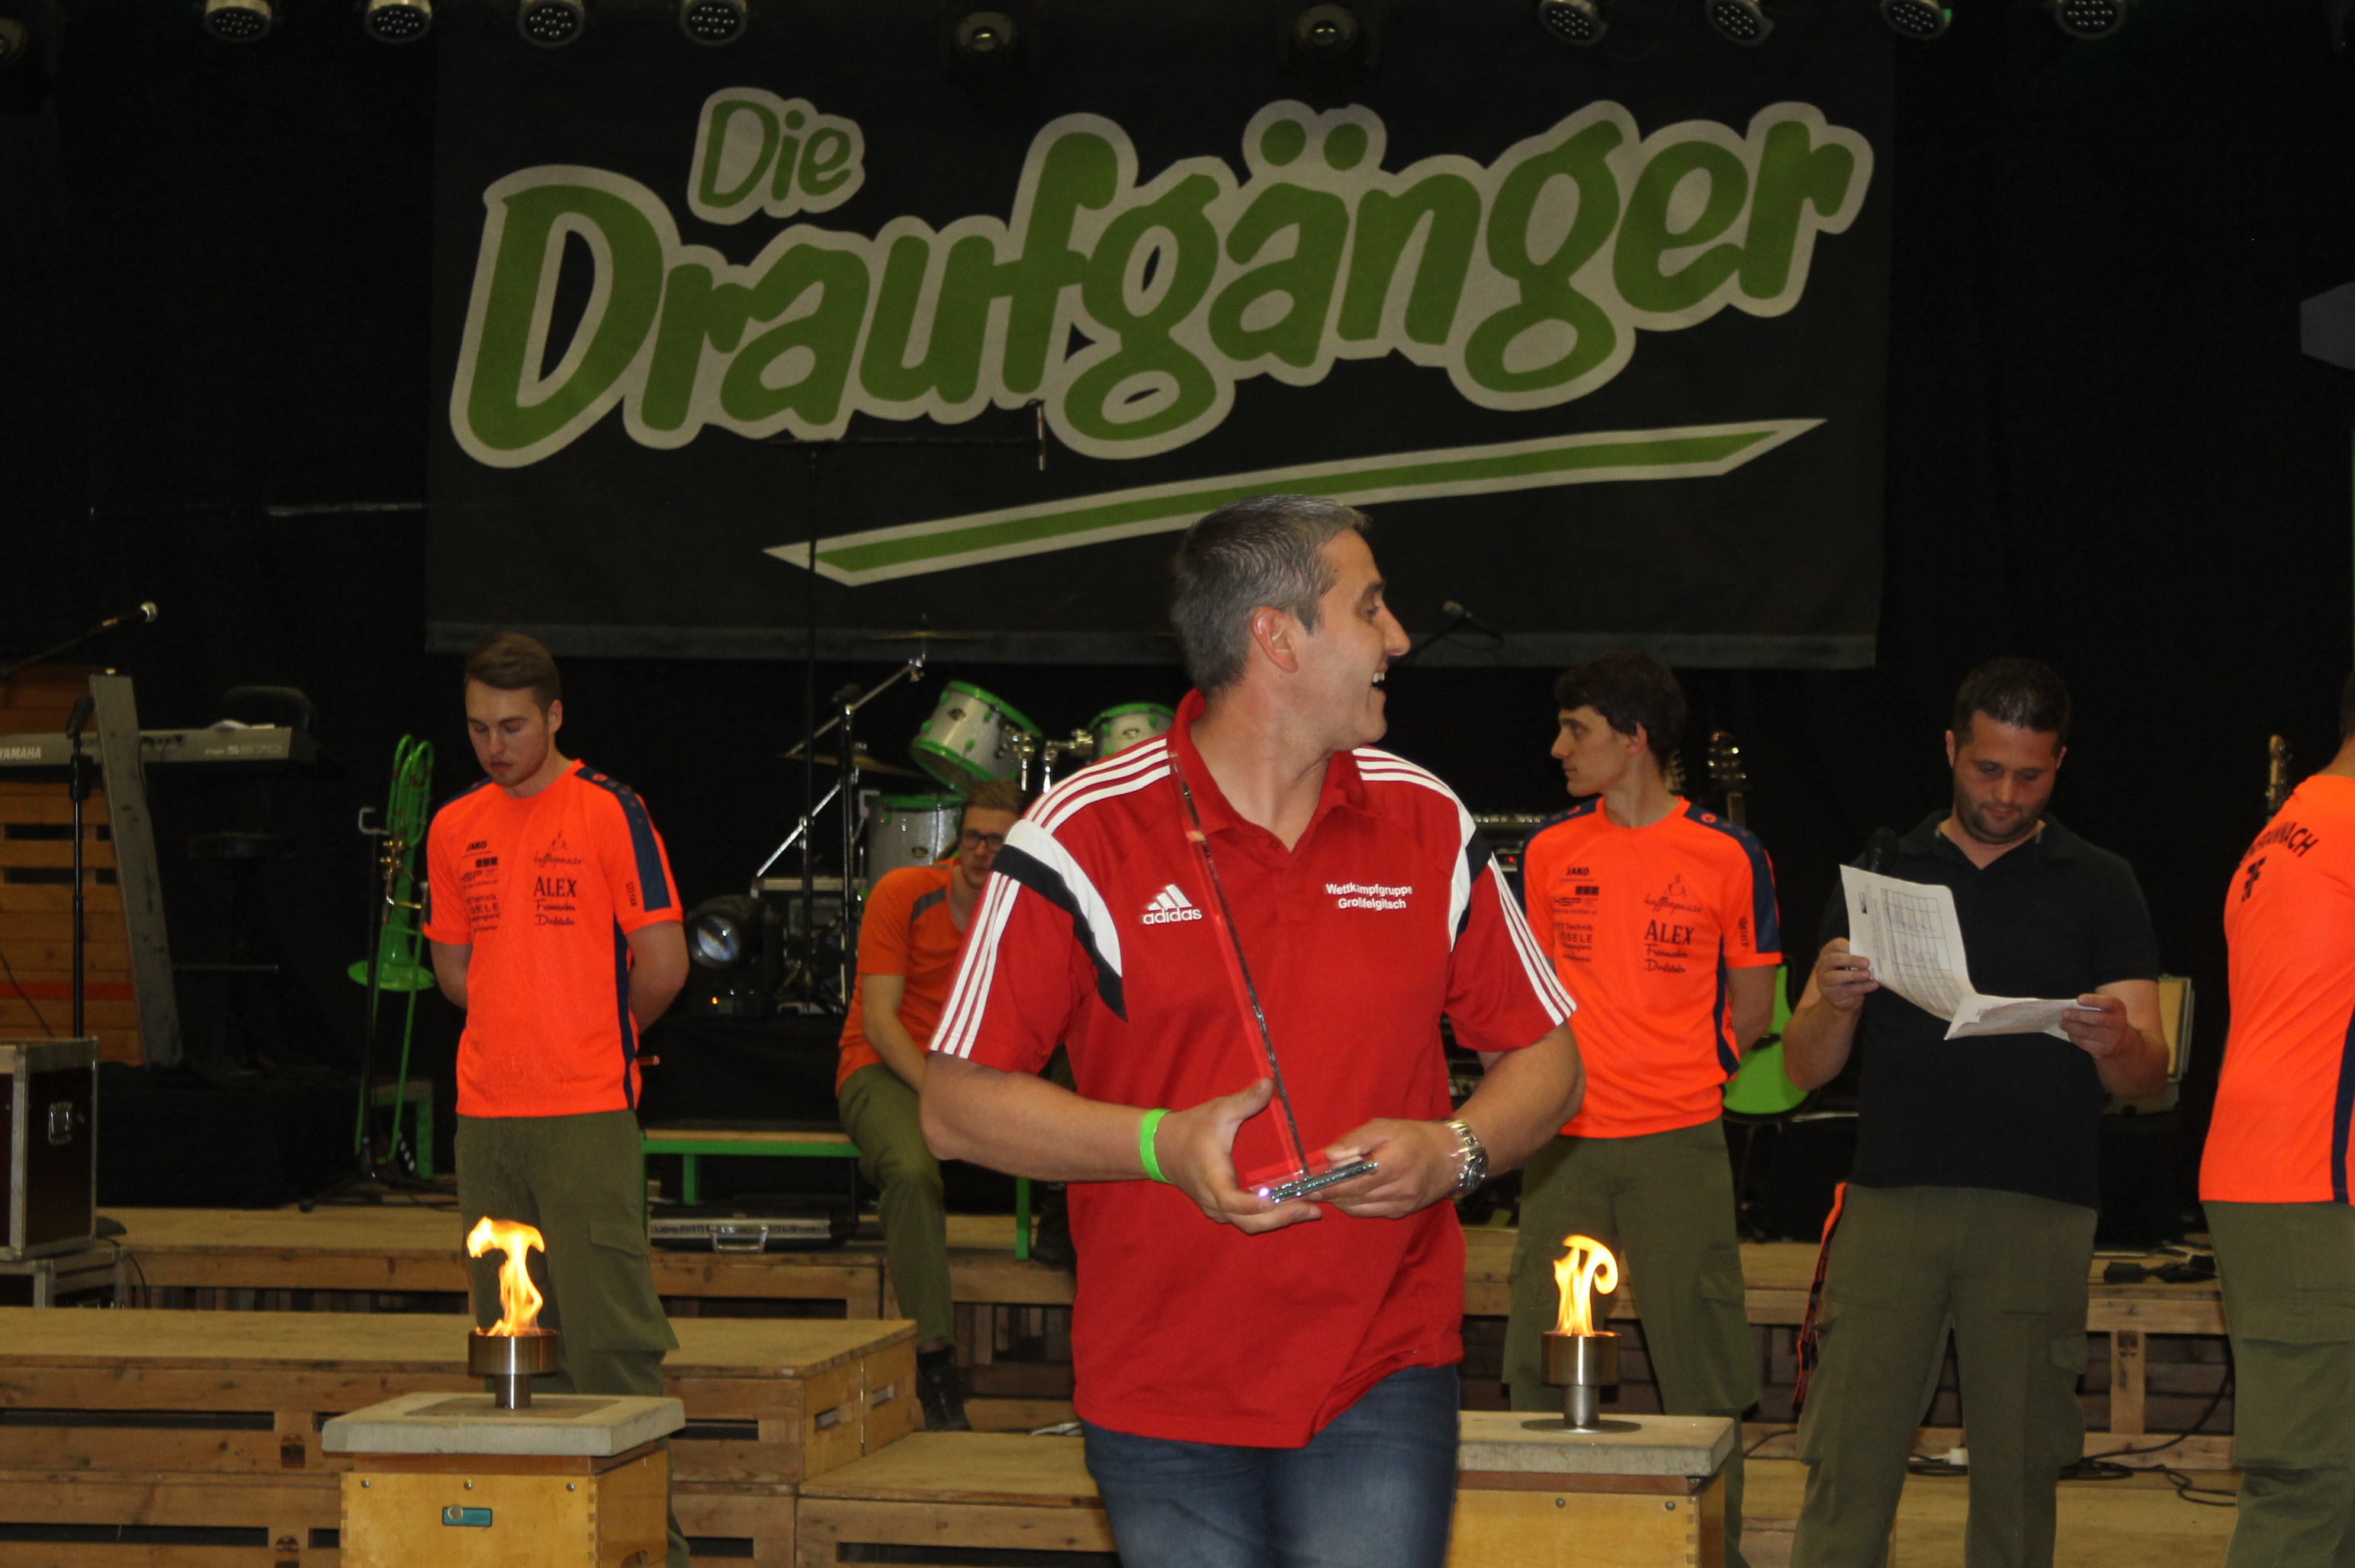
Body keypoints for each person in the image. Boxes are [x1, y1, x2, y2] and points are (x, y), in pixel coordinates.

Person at [921, 493, 1584, 1568]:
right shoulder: (1081, 834)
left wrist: (1455, 1151)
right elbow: (954, 1107)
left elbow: (1547, 1057)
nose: (1398, 638)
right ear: (1276, 636)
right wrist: (1160, 1144)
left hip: (1383, 1366)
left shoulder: (1427, 819)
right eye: (1369, 608)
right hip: (1162, 1380)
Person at [1781, 657, 2167, 1568]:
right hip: (1893, 1199)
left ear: (2059, 763)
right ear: (1951, 748)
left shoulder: (2099, 881)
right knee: (1848, 1455)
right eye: (1987, 769)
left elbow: (2147, 1074)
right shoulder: (1884, 870)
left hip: (2038, 1207)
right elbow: (1801, 1067)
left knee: (2019, 1473)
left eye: (2029, 776)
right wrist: (1834, 1000)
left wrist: (2115, 1040)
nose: (2004, 795)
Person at [1502, 651, 1779, 1568]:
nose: (1558, 748)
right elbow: (1526, 999)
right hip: (1563, 1143)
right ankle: (1541, 1550)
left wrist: (1681, 1078)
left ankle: (1715, 1554)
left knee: (1703, 1370)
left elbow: (1750, 1008)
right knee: (1538, 1368)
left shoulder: (1728, 854)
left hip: (1677, 1145)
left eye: (1575, 729)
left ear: (1634, 739)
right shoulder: (1549, 851)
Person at [425, 632, 691, 1568]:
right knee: (513, 1341)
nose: (494, 745)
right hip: (486, 1115)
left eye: (512, 726)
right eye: (477, 728)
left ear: (554, 716)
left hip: (584, 1112)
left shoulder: (610, 810)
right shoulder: (454, 825)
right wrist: (516, 1012)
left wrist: (591, 1031)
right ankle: (539, 1543)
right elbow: (453, 972)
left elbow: (664, 964)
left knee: (610, 1342)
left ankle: (645, 1547)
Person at [2202, 674, 2355, 1568]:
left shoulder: (2292, 823)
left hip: (2278, 1174)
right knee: (2310, 1486)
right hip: (2308, 1182)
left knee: (2330, 1478)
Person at [836, 779, 1027, 1432]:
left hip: (973, 1072)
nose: (981, 851)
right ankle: (935, 1361)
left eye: (997, 840)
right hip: (886, 1067)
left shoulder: (1029, 910)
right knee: (913, 1171)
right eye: (972, 836)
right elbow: (881, 1022)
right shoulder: (903, 893)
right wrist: (945, 1097)